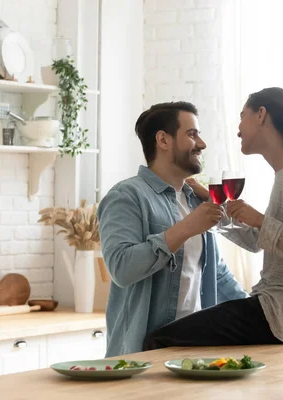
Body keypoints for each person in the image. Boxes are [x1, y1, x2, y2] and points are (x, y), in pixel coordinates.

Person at [143, 87, 283, 350]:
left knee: (159, 340)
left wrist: (261, 220)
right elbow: (259, 242)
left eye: (243, 116)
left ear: (261, 115)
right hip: (279, 311)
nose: (238, 128)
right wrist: (215, 205)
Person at [97, 101, 248, 357]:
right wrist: (186, 228)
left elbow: (215, 273)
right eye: (192, 134)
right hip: (142, 356)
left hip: (194, 351)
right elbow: (121, 268)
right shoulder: (126, 196)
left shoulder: (195, 199)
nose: (201, 144)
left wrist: (256, 313)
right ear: (163, 140)